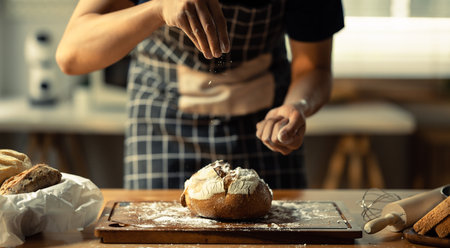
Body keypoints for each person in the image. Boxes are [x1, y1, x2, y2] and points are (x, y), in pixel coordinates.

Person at [56, 0, 344, 189]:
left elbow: (315, 67)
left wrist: (297, 105)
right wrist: (157, 9)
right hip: (162, 123)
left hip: (265, 125)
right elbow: (72, 53)